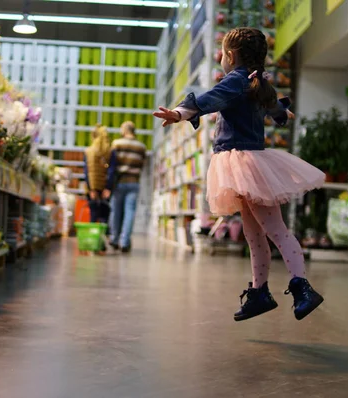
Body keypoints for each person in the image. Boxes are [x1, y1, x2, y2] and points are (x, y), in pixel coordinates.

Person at [154, 28, 326, 322]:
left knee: (275, 231)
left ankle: (302, 286)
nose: (220, 58)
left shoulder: (236, 81)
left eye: (221, 53)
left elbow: (212, 98)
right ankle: (259, 292)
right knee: (254, 232)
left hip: (245, 164)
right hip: (244, 165)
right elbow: (272, 106)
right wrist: (282, 114)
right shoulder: (256, 82)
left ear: (230, 56)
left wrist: (180, 112)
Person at [107, 121, 147, 253]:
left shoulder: (117, 144)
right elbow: (142, 164)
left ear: (124, 130)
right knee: (130, 212)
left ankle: (114, 239)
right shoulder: (141, 146)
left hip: (119, 182)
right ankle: (125, 242)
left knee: (116, 212)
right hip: (134, 182)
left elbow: (111, 163)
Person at [84, 124, 114, 224]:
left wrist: (91, 189)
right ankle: (103, 237)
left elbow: (87, 171)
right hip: (105, 187)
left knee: (93, 213)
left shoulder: (89, 151)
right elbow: (111, 170)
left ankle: (92, 238)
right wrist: (108, 188)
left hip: (93, 187)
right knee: (105, 214)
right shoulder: (110, 151)